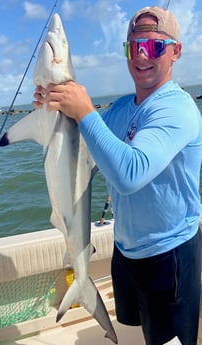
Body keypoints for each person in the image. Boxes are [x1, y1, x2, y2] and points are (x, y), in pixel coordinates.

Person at [33, 6, 202, 345]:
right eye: (133, 47)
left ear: (176, 52)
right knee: (137, 333)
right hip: (126, 251)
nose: (142, 56)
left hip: (169, 257)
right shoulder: (122, 108)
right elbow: (86, 148)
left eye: (153, 47)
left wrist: (84, 110)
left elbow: (129, 173)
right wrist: (51, 113)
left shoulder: (178, 108)